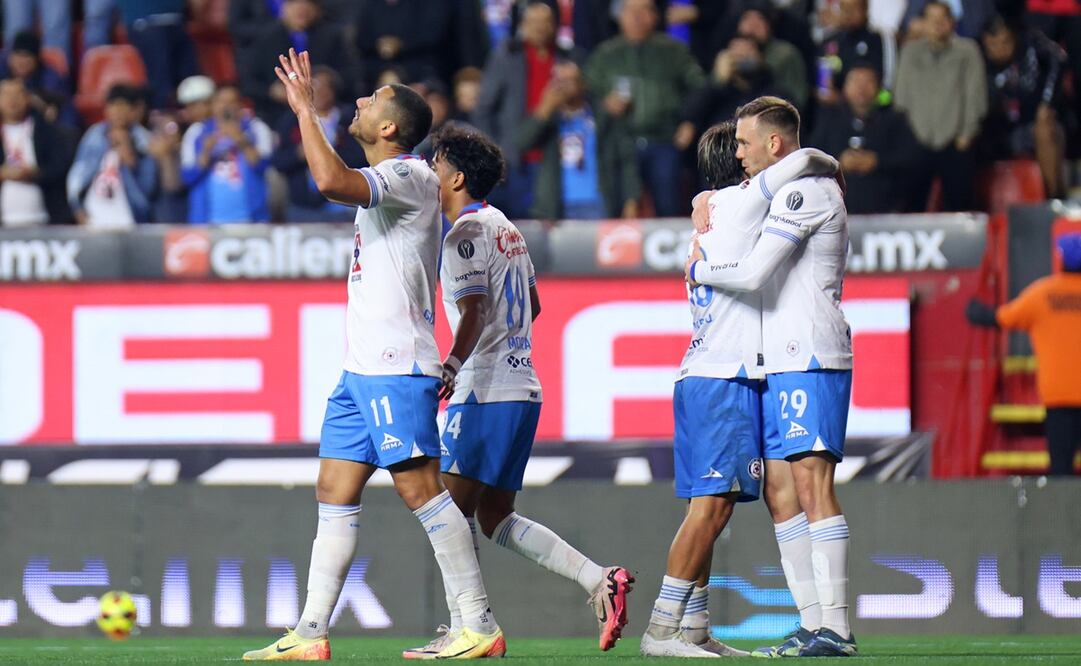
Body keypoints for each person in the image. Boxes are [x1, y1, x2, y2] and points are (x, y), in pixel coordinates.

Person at [243, 49, 504, 660]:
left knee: (422, 491)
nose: (359, 101)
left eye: (372, 100)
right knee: (333, 489)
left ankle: (478, 623)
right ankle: (310, 633)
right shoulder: (387, 181)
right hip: (360, 369)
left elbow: (329, 182)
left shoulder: (409, 175)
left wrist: (305, 111)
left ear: (389, 127)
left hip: (395, 364)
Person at [401, 122, 635, 658]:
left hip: (484, 392)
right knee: (494, 517)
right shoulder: (507, 227)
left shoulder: (461, 235)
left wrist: (453, 364)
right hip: (522, 386)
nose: (430, 172)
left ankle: (471, 627)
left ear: (456, 177)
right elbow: (534, 304)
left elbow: (475, 309)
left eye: (437, 164)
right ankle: (599, 579)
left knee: (447, 512)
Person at [640, 122, 838, 659]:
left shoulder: (713, 214)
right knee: (711, 509)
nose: (753, 155)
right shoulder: (743, 203)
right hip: (723, 379)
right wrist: (828, 161)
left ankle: (695, 628)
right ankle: (661, 630)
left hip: (711, 374)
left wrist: (699, 196)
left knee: (713, 508)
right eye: (746, 147)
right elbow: (797, 165)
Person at [685, 97, 856, 657]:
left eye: (744, 142)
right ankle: (812, 623)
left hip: (810, 352)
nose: (738, 152)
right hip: (779, 360)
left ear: (774, 143)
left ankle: (838, 627)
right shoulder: (783, 190)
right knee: (783, 494)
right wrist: (705, 198)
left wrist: (698, 269)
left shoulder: (808, 192)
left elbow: (757, 272)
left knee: (813, 487)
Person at [966, 233, 1081, 476]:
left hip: (1059, 396)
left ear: (1060, 259)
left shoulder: (1042, 294)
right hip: (1063, 395)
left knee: (1061, 471)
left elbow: (1001, 318)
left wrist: (975, 311)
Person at [584, 0, 705, 218]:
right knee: (617, 209)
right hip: (620, 145)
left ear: (655, 16)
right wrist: (605, 105)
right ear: (619, 16)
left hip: (664, 140)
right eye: (631, 11)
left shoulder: (673, 51)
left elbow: (699, 87)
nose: (637, 17)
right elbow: (587, 96)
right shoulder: (604, 55)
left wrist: (690, 121)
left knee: (668, 209)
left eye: (644, 10)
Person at [475, 0, 581, 220]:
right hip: (515, 161)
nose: (540, 27)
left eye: (546, 22)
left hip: (558, 160)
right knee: (517, 225)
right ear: (522, 25)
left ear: (555, 25)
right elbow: (484, 109)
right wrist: (495, 151)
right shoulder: (506, 56)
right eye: (533, 22)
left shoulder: (569, 57)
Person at [516, 60, 640, 220]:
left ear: (583, 84)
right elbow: (521, 143)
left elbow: (626, 160)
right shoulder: (549, 119)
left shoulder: (603, 116)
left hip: (598, 204)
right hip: (558, 208)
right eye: (559, 81)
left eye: (569, 81)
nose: (563, 86)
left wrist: (631, 200)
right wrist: (544, 110)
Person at [894, 1, 987, 212]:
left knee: (960, 205)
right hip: (917, 140)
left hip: (957, 141)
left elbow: (976, 96)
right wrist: (907, 137)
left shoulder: (968, 51)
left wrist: (967, 134)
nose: (937, 24)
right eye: (932, 19)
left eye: (943, 19)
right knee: (911, 205)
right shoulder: (910, 52)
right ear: (923, 23)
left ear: (953, 22)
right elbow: (901, 98)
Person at [807, 64, 921, 214]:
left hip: (887, 212)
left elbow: (913, 160)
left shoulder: (895, 120)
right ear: (845, 87)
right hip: (833, 214)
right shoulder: (829, 120)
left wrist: (877, 162)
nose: (861, 88)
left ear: (879, 88)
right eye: (855, 81)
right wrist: (838, 163)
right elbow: (809, 159)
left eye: (868, 82)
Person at [978, 14, 1069, 199]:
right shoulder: (976, 58)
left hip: (1029, 125)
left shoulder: (1030, 46)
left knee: (1046, 127)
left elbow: (1059, 58)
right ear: (985, 42)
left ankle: (1053, 198)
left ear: (1014, 37)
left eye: (1005, 42)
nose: (1000, 49)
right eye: (993, 45)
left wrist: (1046, 102)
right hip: (994, 132)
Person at [242, 0, 360, 125]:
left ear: (317, 9)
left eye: (307, 3)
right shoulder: (265, 39)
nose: (301, 8)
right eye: (294, 3)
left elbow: (351, 75)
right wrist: (272, 91)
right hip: (277, 115)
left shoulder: (333, 36)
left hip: (328, 114)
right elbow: (249, 83)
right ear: (283, 8)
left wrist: (328, 82)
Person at [272, 66, 365, 222]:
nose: (320, 91)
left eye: (325, 87)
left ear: (334, 91)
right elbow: (278, 161)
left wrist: (328, 152)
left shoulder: (351, 118)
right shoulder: (291, 120)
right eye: (315, 86)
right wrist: (298, 154)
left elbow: (362, 156)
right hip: (301, 207)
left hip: (343, 206)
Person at [66, 84, 157, 228]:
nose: (118, 112)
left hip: (130, 220)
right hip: (94, 219)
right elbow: (78, 174)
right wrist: (77, 208)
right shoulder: (94, 136)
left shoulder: (143, 140)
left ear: (133, 111)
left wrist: (130, 156)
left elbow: (149, 187)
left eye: (123, 106)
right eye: (113, 106)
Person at [180, 84, 273, 224]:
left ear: (240, 105)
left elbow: (263, 167)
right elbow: (188, 177)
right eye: (221, 101)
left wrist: (242, 141)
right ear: (212, 105)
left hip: (252, 221)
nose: (226, 106)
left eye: (231, 102)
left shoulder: (256, 128)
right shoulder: (196, 132)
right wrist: (206, 151)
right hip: (207, 222)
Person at [0, 78, 71, 226]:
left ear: (28, 98)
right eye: (6, 94)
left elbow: (60, 167)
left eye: (18, 94)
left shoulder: (46, 131)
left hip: (44, 219)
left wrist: (35, 174)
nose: (12, 100)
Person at [817, 0, 896, 100]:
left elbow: (887, 88)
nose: (848, 13)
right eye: (844, 8)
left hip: (873, 105)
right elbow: (822, 87)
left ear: (865, 9)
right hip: (835, 106)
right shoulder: (829, 41)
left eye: (853, 8)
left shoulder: (879, 39)